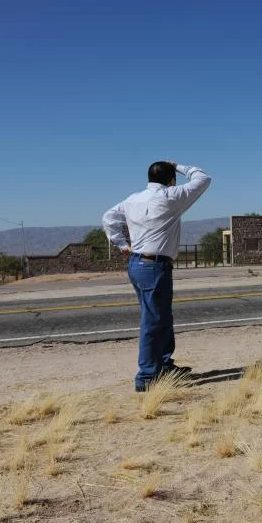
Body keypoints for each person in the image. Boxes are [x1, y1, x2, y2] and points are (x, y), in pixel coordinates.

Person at [102, 161, 211, 391]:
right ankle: (147, 378)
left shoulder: (133, 199)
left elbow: (108, 218)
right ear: (171, 180)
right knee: (153, 321)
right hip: (155, 267)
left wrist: (121, 243)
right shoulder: (171, 196)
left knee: (161, 318)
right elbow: (203, 178)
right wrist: (178, 165)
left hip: (137, 263)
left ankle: (164, 365)